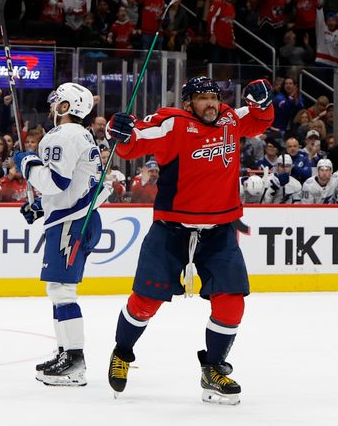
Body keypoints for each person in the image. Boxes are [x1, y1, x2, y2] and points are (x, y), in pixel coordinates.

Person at [105, 76, 274, 405]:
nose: (211, 103)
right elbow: (133, 141)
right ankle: (122, 353)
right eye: (202, 98)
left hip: (221, 228)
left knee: (232, 303)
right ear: (187, 103)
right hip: (171, 228)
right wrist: (118, 129)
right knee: (145, 302)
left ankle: (213, 369)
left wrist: (264, 103)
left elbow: (257, 120)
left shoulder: (229, 118)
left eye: (214, 96)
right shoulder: (172, 122)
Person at [13, 82, 109, 387]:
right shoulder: (81, 135)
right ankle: (66, 352)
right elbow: (76, 187)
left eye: (59, 102)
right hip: (76, 217)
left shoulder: (64, 135)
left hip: (71, 222)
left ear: (67, 106)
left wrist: (28, 164)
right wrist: (41, 206)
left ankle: (74, 362)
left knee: (62, 291)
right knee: (58, 290)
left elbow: (56, 182)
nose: (54, 106)